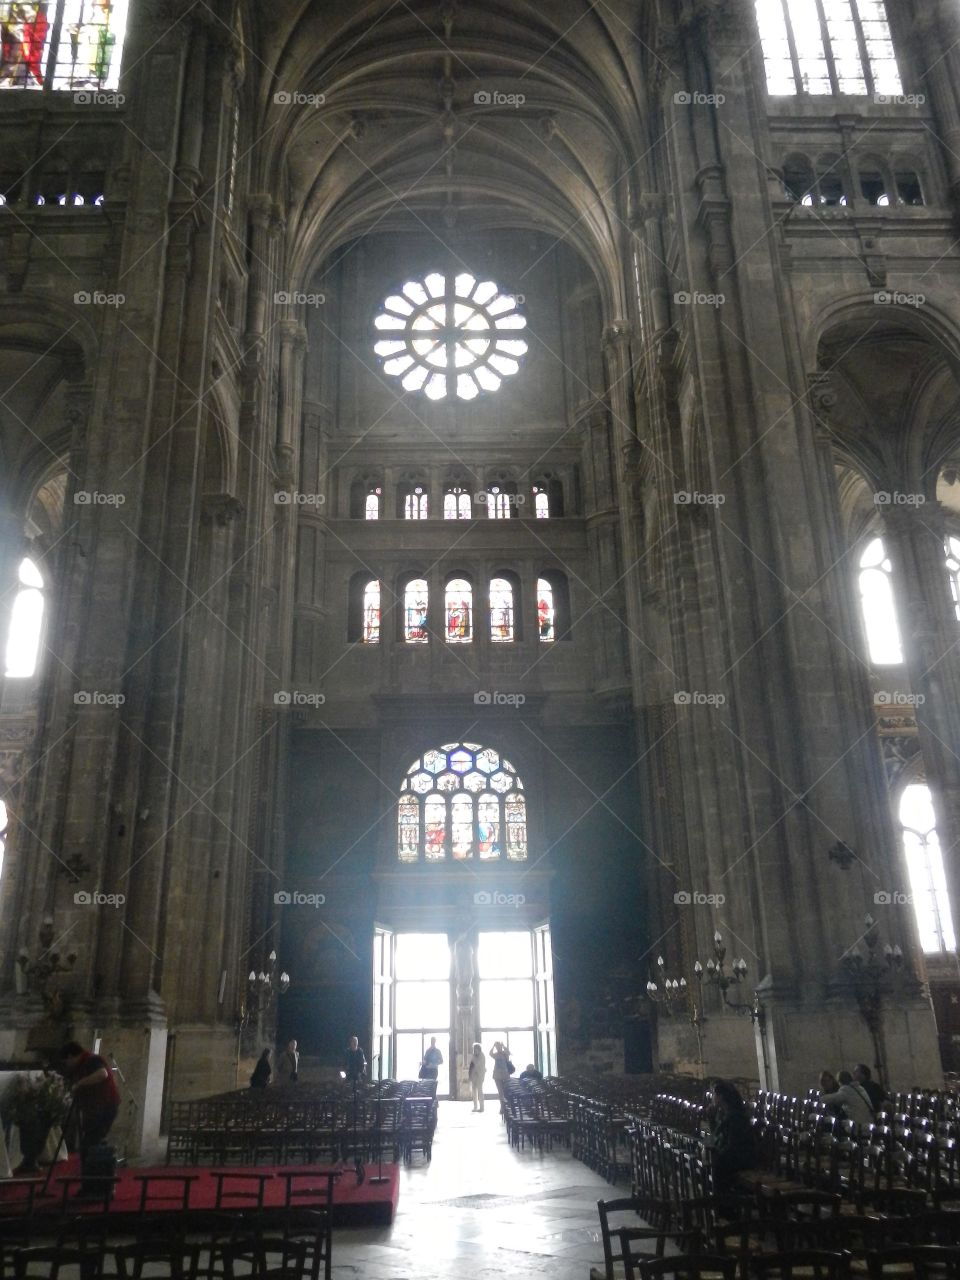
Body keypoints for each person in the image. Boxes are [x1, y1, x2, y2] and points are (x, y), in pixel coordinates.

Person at [60, 1041, 120, 1193]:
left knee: (89, 1145)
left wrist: (80, 1083)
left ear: (71, 1056)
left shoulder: (92, 1060)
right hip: (95, 1109)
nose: (67, 1065)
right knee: (90, 1144)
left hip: (105, 1107)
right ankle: (92, 1184)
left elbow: (102, 1074)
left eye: (66, 1061)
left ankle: (93, 1185)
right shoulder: (83, 1065)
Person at [705, 1080, 756, 1196]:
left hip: (742, 1158)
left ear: (721, 1097)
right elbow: (717, 1136)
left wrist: (719, 1154)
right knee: (712, 1163)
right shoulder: (724, 1113)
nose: (712, 1098)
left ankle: (726, 1206)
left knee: (717, 1165)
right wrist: (711, 1119)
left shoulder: (735, 1116)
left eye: (714, 1095)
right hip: (733, 1156)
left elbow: (733, 1145)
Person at [489, 1041, 513, 1115]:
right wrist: (493, 1046)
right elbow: (490, 1053)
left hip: (505, 1074)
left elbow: (509, 1052)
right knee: (500, 1092)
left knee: (506, 1091)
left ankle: (507, 1106)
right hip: (497, 1074)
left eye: (499, 1046)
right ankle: (502, 1107)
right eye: (497, 1047)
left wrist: (503, 1046)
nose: (498, 1048)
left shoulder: (504, 1054)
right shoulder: (495, 1055)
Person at [468, 1042, 486, 1112]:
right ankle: (475, 1106)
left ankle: (482, 1107)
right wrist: (470, 1075)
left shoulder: (482, 1056)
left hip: (480, 1075)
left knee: (480, 1091)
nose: (475, 1050)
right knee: (474, 1091)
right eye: (474, 1049)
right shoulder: (473, 1056)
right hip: (474, 1076)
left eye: (476, 1049)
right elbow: (471, 1066)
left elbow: (478, 1065)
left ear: (479, 1049)